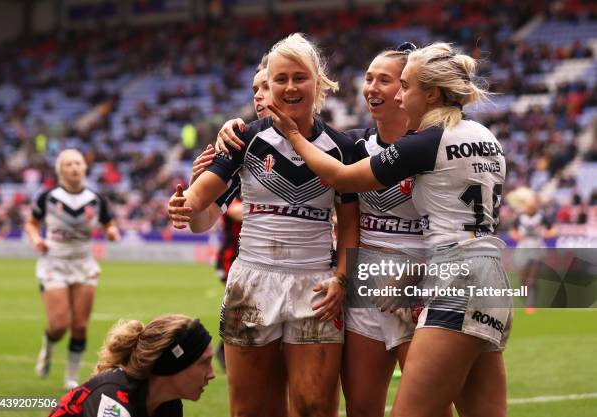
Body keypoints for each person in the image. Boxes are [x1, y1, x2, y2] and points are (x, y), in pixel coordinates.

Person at [268, 42, 512, 417]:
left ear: (431, 93)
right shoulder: (483, 135)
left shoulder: (427, 141)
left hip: (453, 279)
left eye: (405, 86)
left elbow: (342, 178)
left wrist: (294, 136)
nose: (399, 96)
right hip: (489, 274)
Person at [213, 43, 431, 417]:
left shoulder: (434, 147)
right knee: (359, 408)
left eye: (385, 80)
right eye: (368, 79)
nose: (372, 88)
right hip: (364, 286)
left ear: (408, 89)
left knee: (427, 406)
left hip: (416, 284)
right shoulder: (357, 146)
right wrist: (237, 127)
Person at [169, 33, 358, 417]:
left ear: (318, 83)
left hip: (315, 285)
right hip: (253, 282)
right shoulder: (244, 139)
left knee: (315, 407)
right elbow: (199, 198)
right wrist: (182, 205)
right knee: (251, 410)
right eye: (280, 79)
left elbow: (352, 226)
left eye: (299, 77)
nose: (290, 87)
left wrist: (342, 278)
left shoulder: (343, 148)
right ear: (267, 87)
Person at [25, 149, 120, 390]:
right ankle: (47, 348)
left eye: (78, 163)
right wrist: (36, 238)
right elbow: (31, 223)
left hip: (83, 263)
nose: (75, 167)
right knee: (58, 325)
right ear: (60, 170)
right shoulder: (48, 197)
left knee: (79, 325)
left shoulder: (96, 199)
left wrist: (112, 232)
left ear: (85, 168)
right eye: (68, 164)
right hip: (54, 262)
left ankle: (71, 377)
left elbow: (110, 223)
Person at [48, 314, 215, 417]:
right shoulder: (112, 400)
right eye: (204, 363)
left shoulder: (168, 404)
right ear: (176, 364)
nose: (212, 374)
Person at [507, 187, 557, 312]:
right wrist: (516, 236)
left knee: (532, 279)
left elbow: (553, 230)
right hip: (523, 249)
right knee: (523, 279)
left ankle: (531, 304)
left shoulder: (542, 217)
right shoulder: (520, 217)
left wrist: (546, 233)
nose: (531, 206)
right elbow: (512, 231)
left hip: (537, 249)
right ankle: (527, 298)